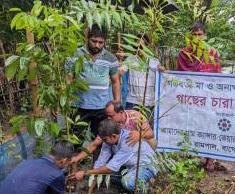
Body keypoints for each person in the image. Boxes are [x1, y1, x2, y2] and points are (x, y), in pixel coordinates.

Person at [66, 24, 121, 153]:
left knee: (100, 141)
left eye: (100, 42)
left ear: (105, 42)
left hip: (102, 108)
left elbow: (115, 81)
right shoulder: (75, 54)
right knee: (75, 140)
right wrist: (63, 101)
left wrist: (116, 102)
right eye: (94, 41)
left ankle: (94, 170)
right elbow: (68, 80)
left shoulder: (111, 58)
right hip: (78, 106)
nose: (97, 45)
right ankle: (73, 169)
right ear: (87, 38)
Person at [71, 119, 157, 194]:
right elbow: (100, 164)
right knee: (106, 175)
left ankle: (145, 192)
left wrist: (85, 172)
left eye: (105, 139)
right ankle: (133, 184)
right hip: (130, 166)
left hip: (146, 166)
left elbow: (110, 168)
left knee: (127, 182)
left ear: (113, 136)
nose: (103, 142)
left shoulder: (128, 140)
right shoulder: (108, 141)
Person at [176, 20, 221, 172]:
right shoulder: (183, 54)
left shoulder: (212, 53)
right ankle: (189, 154)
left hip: (208, 97)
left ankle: (209, 158)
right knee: (190, 125)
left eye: (200, 34)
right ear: (190, 37)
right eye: (194, 35)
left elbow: (218, 76)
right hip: (191, 97)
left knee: (209, 127)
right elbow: (179, 78)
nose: (197, 38)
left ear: (204, 35)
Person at [71, 101, 156, 164]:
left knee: (152, 141)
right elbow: (94, 144)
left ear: (121, 113)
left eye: (111, 116)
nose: (108, 118)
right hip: (121, 150)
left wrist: (140, 134)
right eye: (107, 116)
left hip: (138, 149)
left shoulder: (136, 115)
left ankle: (149, 163)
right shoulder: (109, 124)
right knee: (107, 145)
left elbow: (151, 133)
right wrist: (77, 157)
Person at [122, 34, 165, 126]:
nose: (139, 49)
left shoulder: (154, 61)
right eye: (136, 46)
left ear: (147, 46)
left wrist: (162, 70)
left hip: (149, 102)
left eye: (141, 46)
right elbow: (120, 72)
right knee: (130, 127)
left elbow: (162, 77)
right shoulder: (130, 59)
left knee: (147, 129)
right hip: (132, 101)